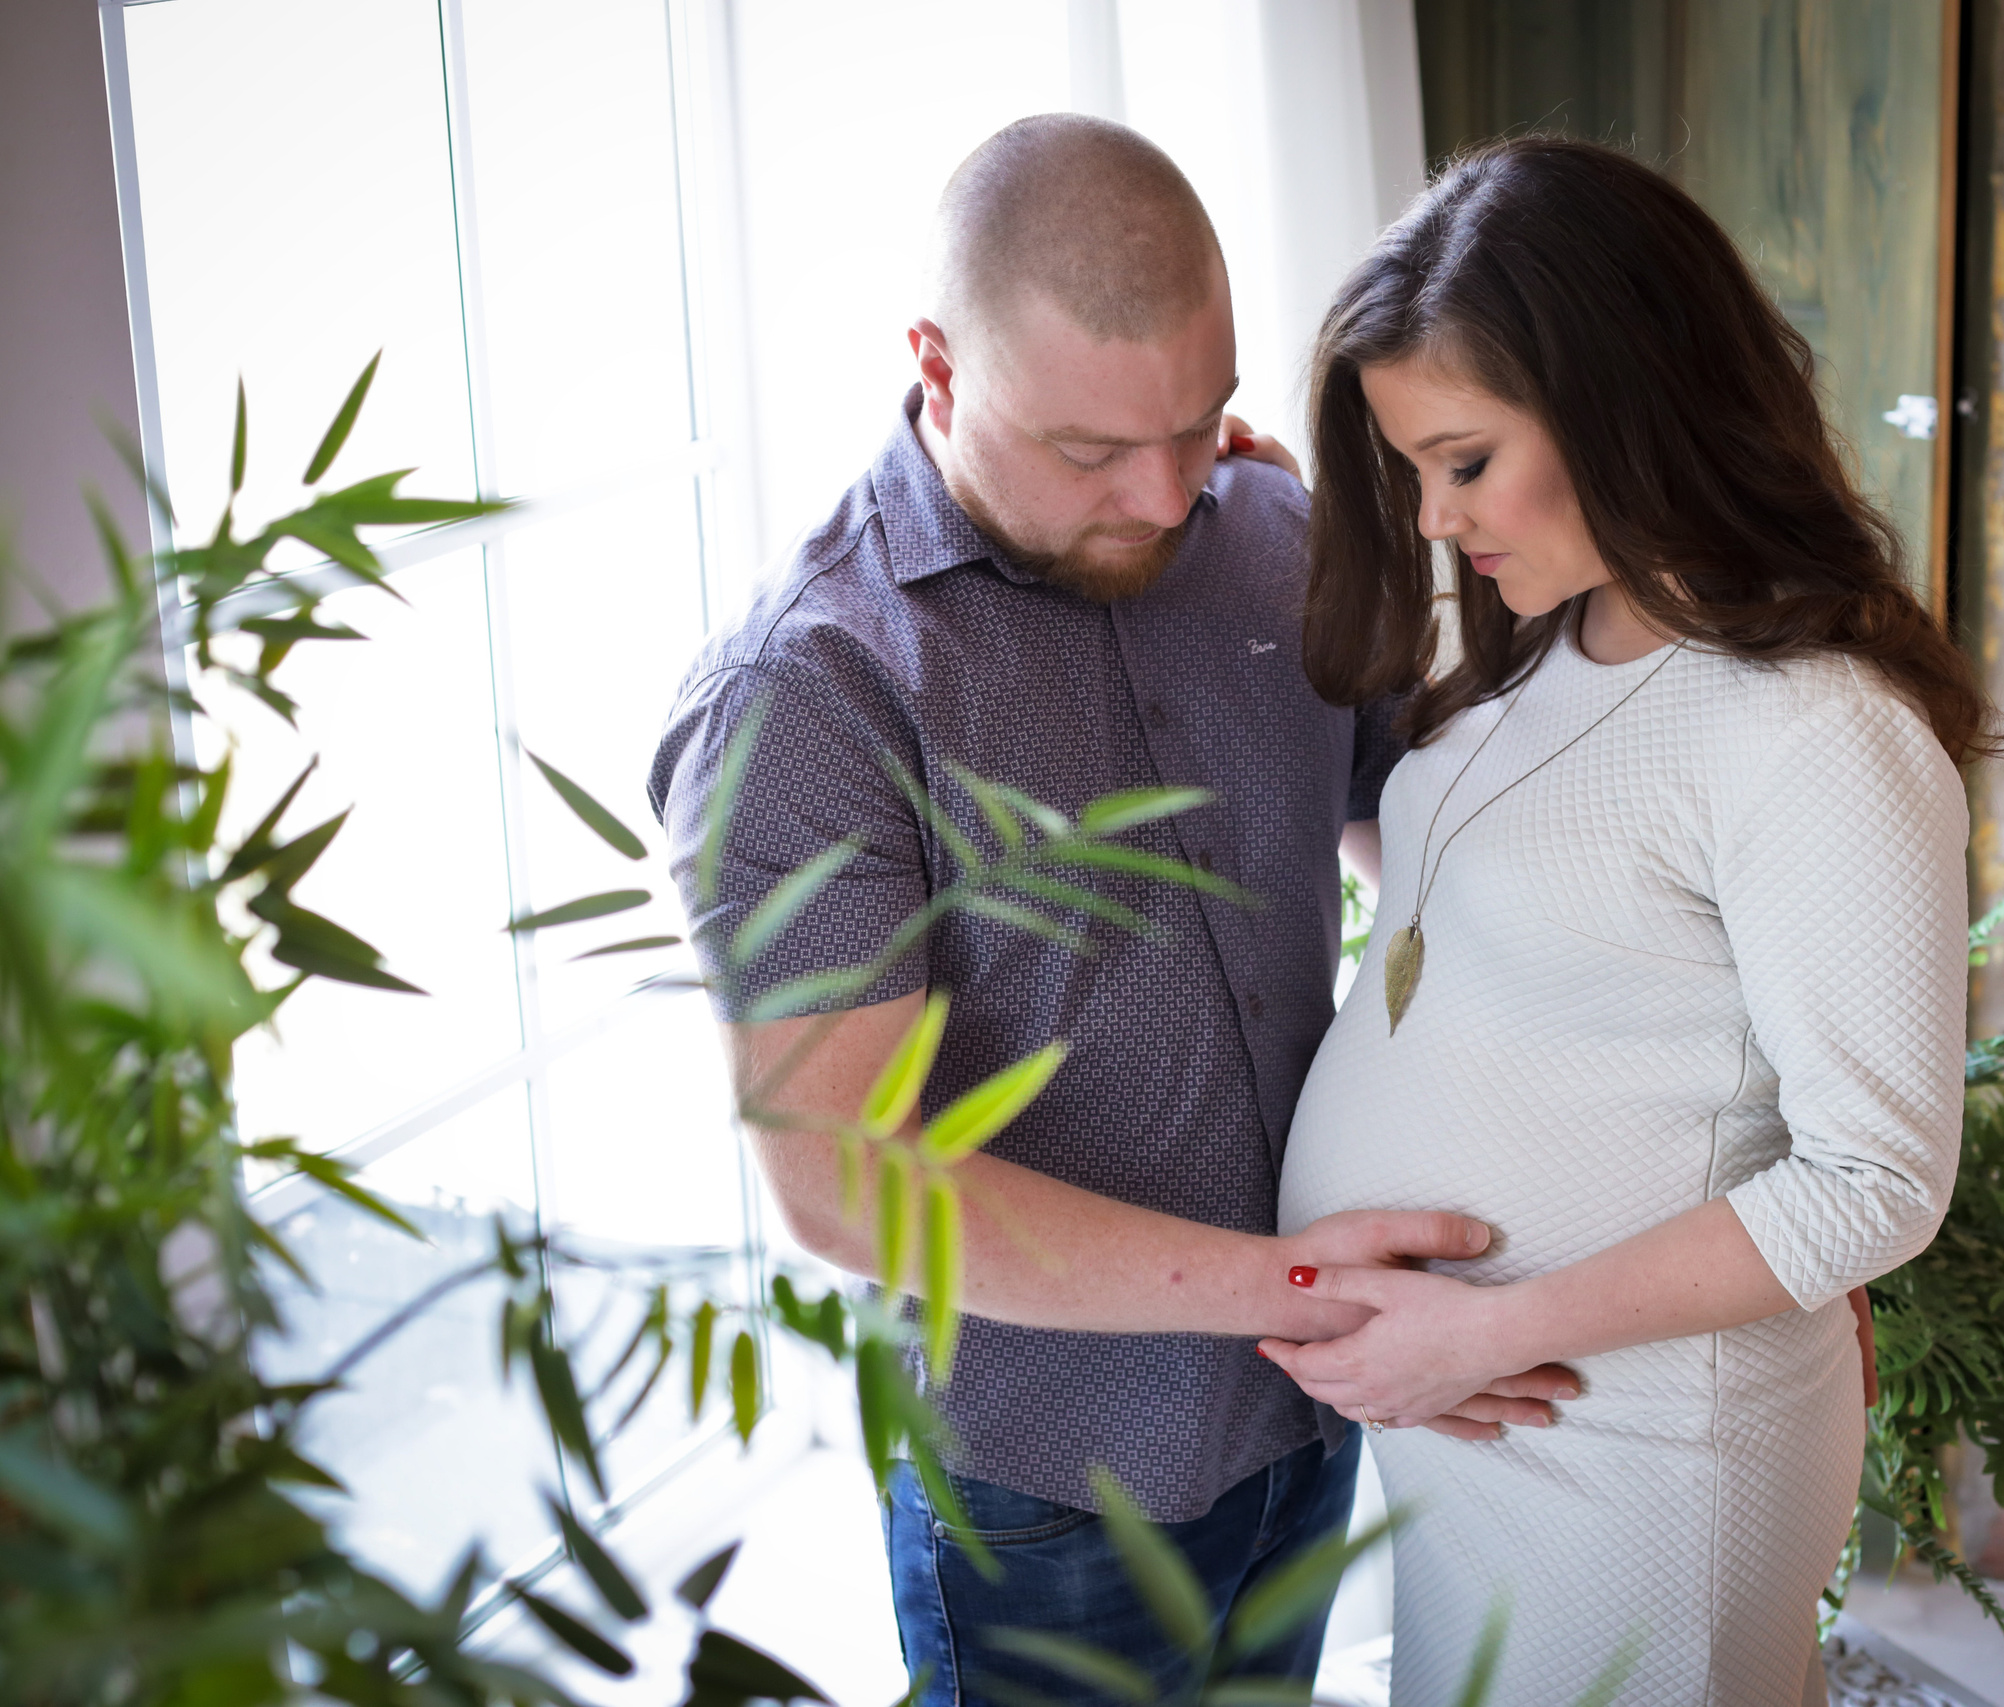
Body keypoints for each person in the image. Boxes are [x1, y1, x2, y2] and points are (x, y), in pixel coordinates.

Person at [646, 115, 1577, 1705]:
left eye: (1200, 419)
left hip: (1311, 1415)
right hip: (1051, 1487)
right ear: (937, 365)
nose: (1163, 495)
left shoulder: (1268, 532)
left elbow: (1438, 858)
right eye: (1091, 452)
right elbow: (847, 1186)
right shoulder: (810, 696)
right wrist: (1301, 1289)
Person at [1262, 138, 2004, 1707]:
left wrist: (1487, 1332)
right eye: (1408, 470)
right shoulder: (1558, 629)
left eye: (1465, 462)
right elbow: (1551, 927)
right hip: (1491, 1419)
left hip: (1634, 1447)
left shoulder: (1812, 731)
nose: (1438, 517)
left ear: (1626, 399)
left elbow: (1877, 1179)